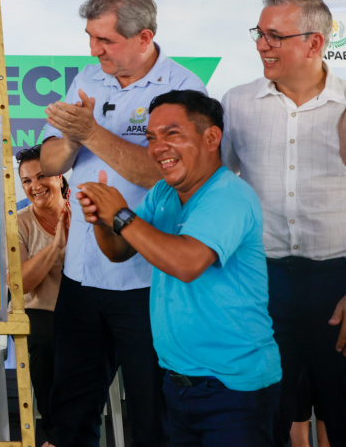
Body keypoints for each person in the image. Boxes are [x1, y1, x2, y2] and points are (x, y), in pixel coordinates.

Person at [39, 0, 206, 446]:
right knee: (70, 411)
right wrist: (72, 137)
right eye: (91, 38)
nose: (95, 50)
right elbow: (49, 163)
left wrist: (90, 132)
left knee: (153, 413)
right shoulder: (87, 79)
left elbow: (160, 174)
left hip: (148, 280)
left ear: (144, 37)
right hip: (82, 272)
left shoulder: (183, 89)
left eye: (106, 41)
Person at [77, 90, 281, 446]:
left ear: (211, 138)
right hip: (178, 383)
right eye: (151, 137)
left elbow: (187, 263)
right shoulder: (163, 194)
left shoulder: (229, 195)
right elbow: (119, 250)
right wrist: (101, 220)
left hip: (233, 389)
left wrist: (120, 215)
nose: (158, 147)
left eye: (172, 134)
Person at [221, 0, 346, 446]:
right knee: (267, 415)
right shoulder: (237, 103)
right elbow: (216, 188)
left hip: (338, 281)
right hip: (263, 281)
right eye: (259, 33)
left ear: (315, 43)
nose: (262, 45)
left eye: (275, 35)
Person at [13, 144, 69, 445]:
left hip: (84, 309)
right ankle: (57, 435)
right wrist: (56, 246)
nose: (35, 186)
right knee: (45, 341)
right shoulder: (18, 223)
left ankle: (75, 427)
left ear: (59, 176)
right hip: (40, 311)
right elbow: (22, 284)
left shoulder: (83, 214)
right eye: (27, 180)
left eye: (42, 176)